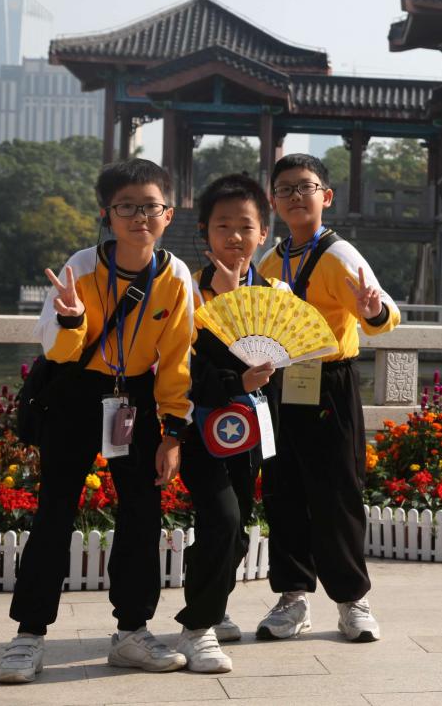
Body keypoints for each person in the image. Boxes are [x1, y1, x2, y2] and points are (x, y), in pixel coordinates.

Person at [0, 159, 194, 684]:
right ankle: (29, 635)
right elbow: (57, 349)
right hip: (77, 394)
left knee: (142, 513)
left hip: (135, 398)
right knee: (55, 511)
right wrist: (70, 318)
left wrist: (174, 432)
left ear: (169, 214)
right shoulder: (81, 267)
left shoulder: (175, 276)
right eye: (126, 207)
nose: (139, 217)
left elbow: (177, 362)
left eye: (150, 206)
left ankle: (132, 632)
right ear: (107, 214)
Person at [256, 154, 400, 643]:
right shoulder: (271, 261)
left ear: (326, 196)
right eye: (285, 189)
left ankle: (352, 599)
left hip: (329, 382)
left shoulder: (340, 256)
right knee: (283, 490)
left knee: (338, 492)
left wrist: (371, 310)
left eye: (306, 187)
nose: (296, 197)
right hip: (281, 381)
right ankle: (292, 597)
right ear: (273, 201)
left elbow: (385, 315)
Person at [171, 174, 282, 672]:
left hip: (251, 430)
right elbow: (182, 368)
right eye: (223, 226)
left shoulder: (275, 294)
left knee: (235, 531)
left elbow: (285, 357)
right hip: (198, 427)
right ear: (205, 231)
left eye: (245, 226)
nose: (234, 236)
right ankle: (198, 627)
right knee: (222, 518)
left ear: (264, 233)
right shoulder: (186, 292)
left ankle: (211, 607)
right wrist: (225, 309)